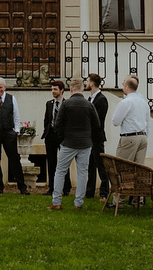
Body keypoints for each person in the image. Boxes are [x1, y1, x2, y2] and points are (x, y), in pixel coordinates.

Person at [48, 77, 99, 210]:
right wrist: (88, 136)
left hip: (68, 142)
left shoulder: (66, 104)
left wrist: (62, 138)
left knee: (60, 171)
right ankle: (78, 203)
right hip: (85, 143)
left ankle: (56, 202)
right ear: (82, 89)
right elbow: (97, 125)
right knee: (82, 173)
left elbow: (57, 124)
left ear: (70, 89)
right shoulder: (89, 105)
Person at [0, 77, 29, 194]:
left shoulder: (11, 98)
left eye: (1, 87)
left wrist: (16, 130)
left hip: (9, 132)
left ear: (5, 87)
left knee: (14, 159)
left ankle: (22, 187)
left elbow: (16, 115)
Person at [41, 80, 72, 196]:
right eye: (52, 89)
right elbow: (46, 119)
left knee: (64, 162)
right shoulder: (49, 104)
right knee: (51, 162)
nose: (53, 91)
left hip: (62, 137)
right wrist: (47, 131)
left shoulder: (66, 104)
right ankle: (52, 188)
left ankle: (66, 188)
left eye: (55, 89)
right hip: (50, 136)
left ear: (62, 90)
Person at [111, 75, 150, 164]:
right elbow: (148, 122)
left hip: (130, 137)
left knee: (123, 166)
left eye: (123, 85)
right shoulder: (143, 102)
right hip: (143, 137)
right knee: (139, 168)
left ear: (127, 87)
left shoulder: (126, 102)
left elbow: (115, 121)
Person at [85, 72, 110, 201]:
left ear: (92, 83)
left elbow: (99, 121)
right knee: (90, 165)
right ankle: (89, 191)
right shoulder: (90, 99)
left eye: (87, 81)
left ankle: (104, 193)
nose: (86, 83)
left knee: (101, 165)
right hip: (89, 137)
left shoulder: (101, 99)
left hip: (97, 137)